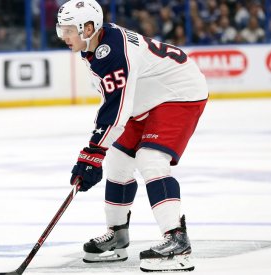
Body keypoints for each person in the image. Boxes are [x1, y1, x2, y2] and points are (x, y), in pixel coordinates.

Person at [56, 0, 208, 272]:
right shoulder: (93, 46)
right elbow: (112, 104)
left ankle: (177, 241)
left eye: (68, 30)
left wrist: (91, 153)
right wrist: (97, 152)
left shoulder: (113, 52)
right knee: (117, 160)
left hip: (179, 93)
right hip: (146, 98)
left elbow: (117, 107)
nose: (63, 36)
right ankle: (118, 235)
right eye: (61, 30)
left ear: (89, 27)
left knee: (150, 159)